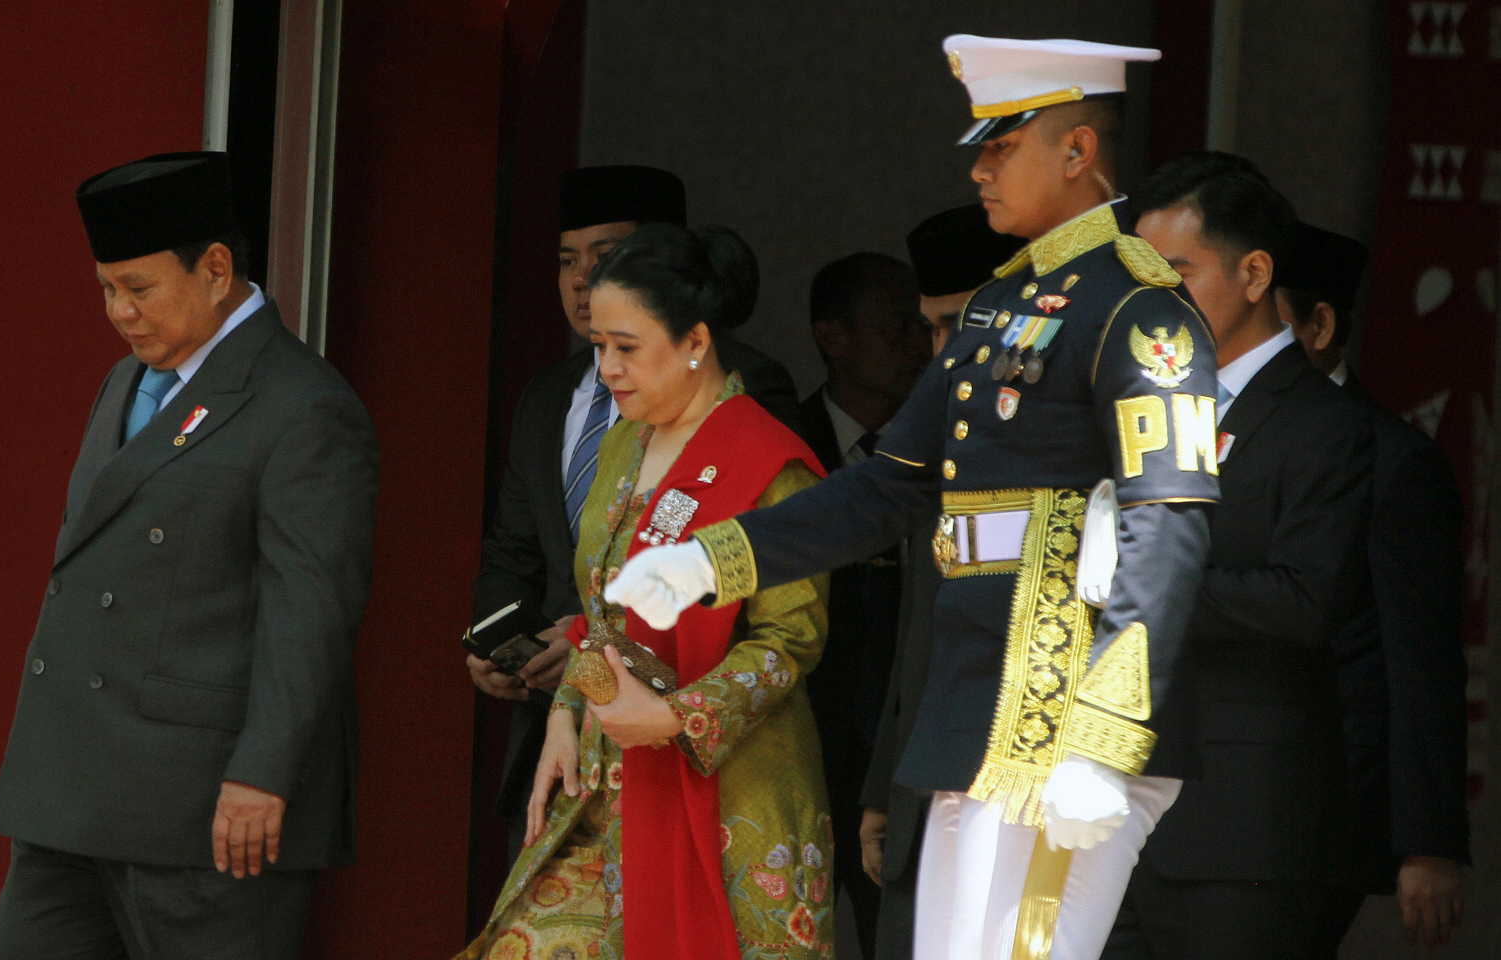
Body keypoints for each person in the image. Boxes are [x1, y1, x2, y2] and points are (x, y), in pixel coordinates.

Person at [609, 36, 1221, 960]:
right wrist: (710, 561)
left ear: (1077, 151)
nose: (978, 167)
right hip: (973, 698)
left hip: (1063, 711)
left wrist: (1105, 736)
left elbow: (1164, 521)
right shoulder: (997, 306)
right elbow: (885, 488)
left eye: (1000, 145)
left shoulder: (1140, 309)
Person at [0, 152, 379, 960]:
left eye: (139, 288)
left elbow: (308, 613)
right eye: (105, 289)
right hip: (70, 789)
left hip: (203, 802)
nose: (120, 312)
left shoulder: (305, 406)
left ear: (216, 270)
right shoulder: (123, 384)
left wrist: (263, 773)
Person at [458, 223, 834, 960]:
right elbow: (601, 616)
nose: (607, 370)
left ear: (694, 340)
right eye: (599, 347)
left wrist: (674, 717)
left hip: (734, 792)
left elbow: (790, 640)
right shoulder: (624, 445)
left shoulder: (768, 462)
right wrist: (569, 709)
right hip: (609, 775)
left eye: (626, 348)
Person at [1101, 152, 1374, 960]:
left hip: (1241, 825)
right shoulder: (1130, 404)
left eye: (1175, 271)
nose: (1152, 300)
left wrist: (1138, 581)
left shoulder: (1323, 425)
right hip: (1104, 806)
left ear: (1254, 273)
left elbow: (1304, 601)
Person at [1277, 222, 1470, 954]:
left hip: (1323, 811)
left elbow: (1420, 659)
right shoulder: (1200, 442)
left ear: (1318, 326)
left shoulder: (1391, 461)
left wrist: (1426, 843)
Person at [859, 205, 1025, 960]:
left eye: (963, 322)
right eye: (930, 329)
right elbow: (915, 635)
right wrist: (879, 788)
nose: (943, 349)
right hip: (925, 790)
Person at [796, 250, 930, 959]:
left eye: (923, 327)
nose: (916, 347)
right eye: (895, 328)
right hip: (803, 745)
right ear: (832, 337)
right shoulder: (781, 446)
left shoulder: (950, 445)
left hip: (908, 752)